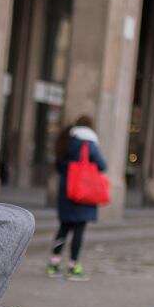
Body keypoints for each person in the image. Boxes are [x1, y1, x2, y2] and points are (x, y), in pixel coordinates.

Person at [48, 115, 106, 280]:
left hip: (66, 190)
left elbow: (59, 166)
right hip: (83, 191)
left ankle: (53, 263)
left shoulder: (66, 140)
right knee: (79, 230)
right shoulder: (89, 143)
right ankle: (73, 267)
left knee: (63, 228)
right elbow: (102, 165)